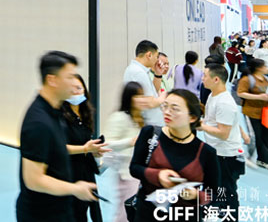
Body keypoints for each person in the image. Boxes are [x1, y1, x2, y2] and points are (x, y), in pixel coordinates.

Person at [17, 51, 97, 222]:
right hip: (41, 215)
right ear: (52, 80)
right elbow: (34, 180)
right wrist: (75, 189)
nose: (74, 83)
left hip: (61, 209)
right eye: (69, 77)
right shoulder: (38, 123)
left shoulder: (56, 112)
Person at [129, 89, 220, 221]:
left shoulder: (207, 152)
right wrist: (158, 175)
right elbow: (134, 168)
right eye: (165, 106)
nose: (167, 112)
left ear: (192, 117)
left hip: (185, 215)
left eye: (175, 109)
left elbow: (213, 194)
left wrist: (196, 195)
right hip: (147, 214)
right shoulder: (150, 134)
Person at [199, 64, 245, 213]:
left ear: (216, 79)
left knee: (227, 191)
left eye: (205, 75)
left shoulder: (224, 102)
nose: (202, 78)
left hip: (227, 155)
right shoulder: (213, 95)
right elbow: (213, 122)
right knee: (216, 188)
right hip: (217, 152)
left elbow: (223, 133)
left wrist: (201, 127)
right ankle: (219, 210)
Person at [61, 74, 107, 222]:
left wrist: (95, 151)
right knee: (75, 211)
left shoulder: (86, 112)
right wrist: (85, 149)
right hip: (69, 171)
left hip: (86, 169)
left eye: (79, 88)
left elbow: (86, 141)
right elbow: (59, 147)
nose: (76, 92)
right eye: (71, 88)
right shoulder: (60, 115)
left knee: (91, 207)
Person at [104, 82, 144, 222]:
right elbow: (107, 143)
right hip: (125, 173)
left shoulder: (138, 117)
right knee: (124, 212)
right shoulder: (119, 117)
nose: (141, 99)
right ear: (129, 98)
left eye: (142, 96)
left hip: (137, 172)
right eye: (137, 96)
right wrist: (130, 142)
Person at [122, 40, 164, 126]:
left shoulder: (138, 70)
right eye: (156, 57)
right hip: (151, 124)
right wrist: (163, 97)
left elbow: (153, 93)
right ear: (149, 55)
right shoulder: (138, 72)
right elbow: (150, 102)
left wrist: (158, 74)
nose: (157, 60)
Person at [236, 58, 268, 168]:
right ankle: (255, 158)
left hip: (263, 113)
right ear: (258, 68)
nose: (266, 68)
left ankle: (263, 159)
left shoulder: (264, 79)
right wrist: (259, 97)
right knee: (256, 135)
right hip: (251, 112)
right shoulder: (247, 80)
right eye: (264, 66)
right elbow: (240, 93)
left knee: (265, 135)